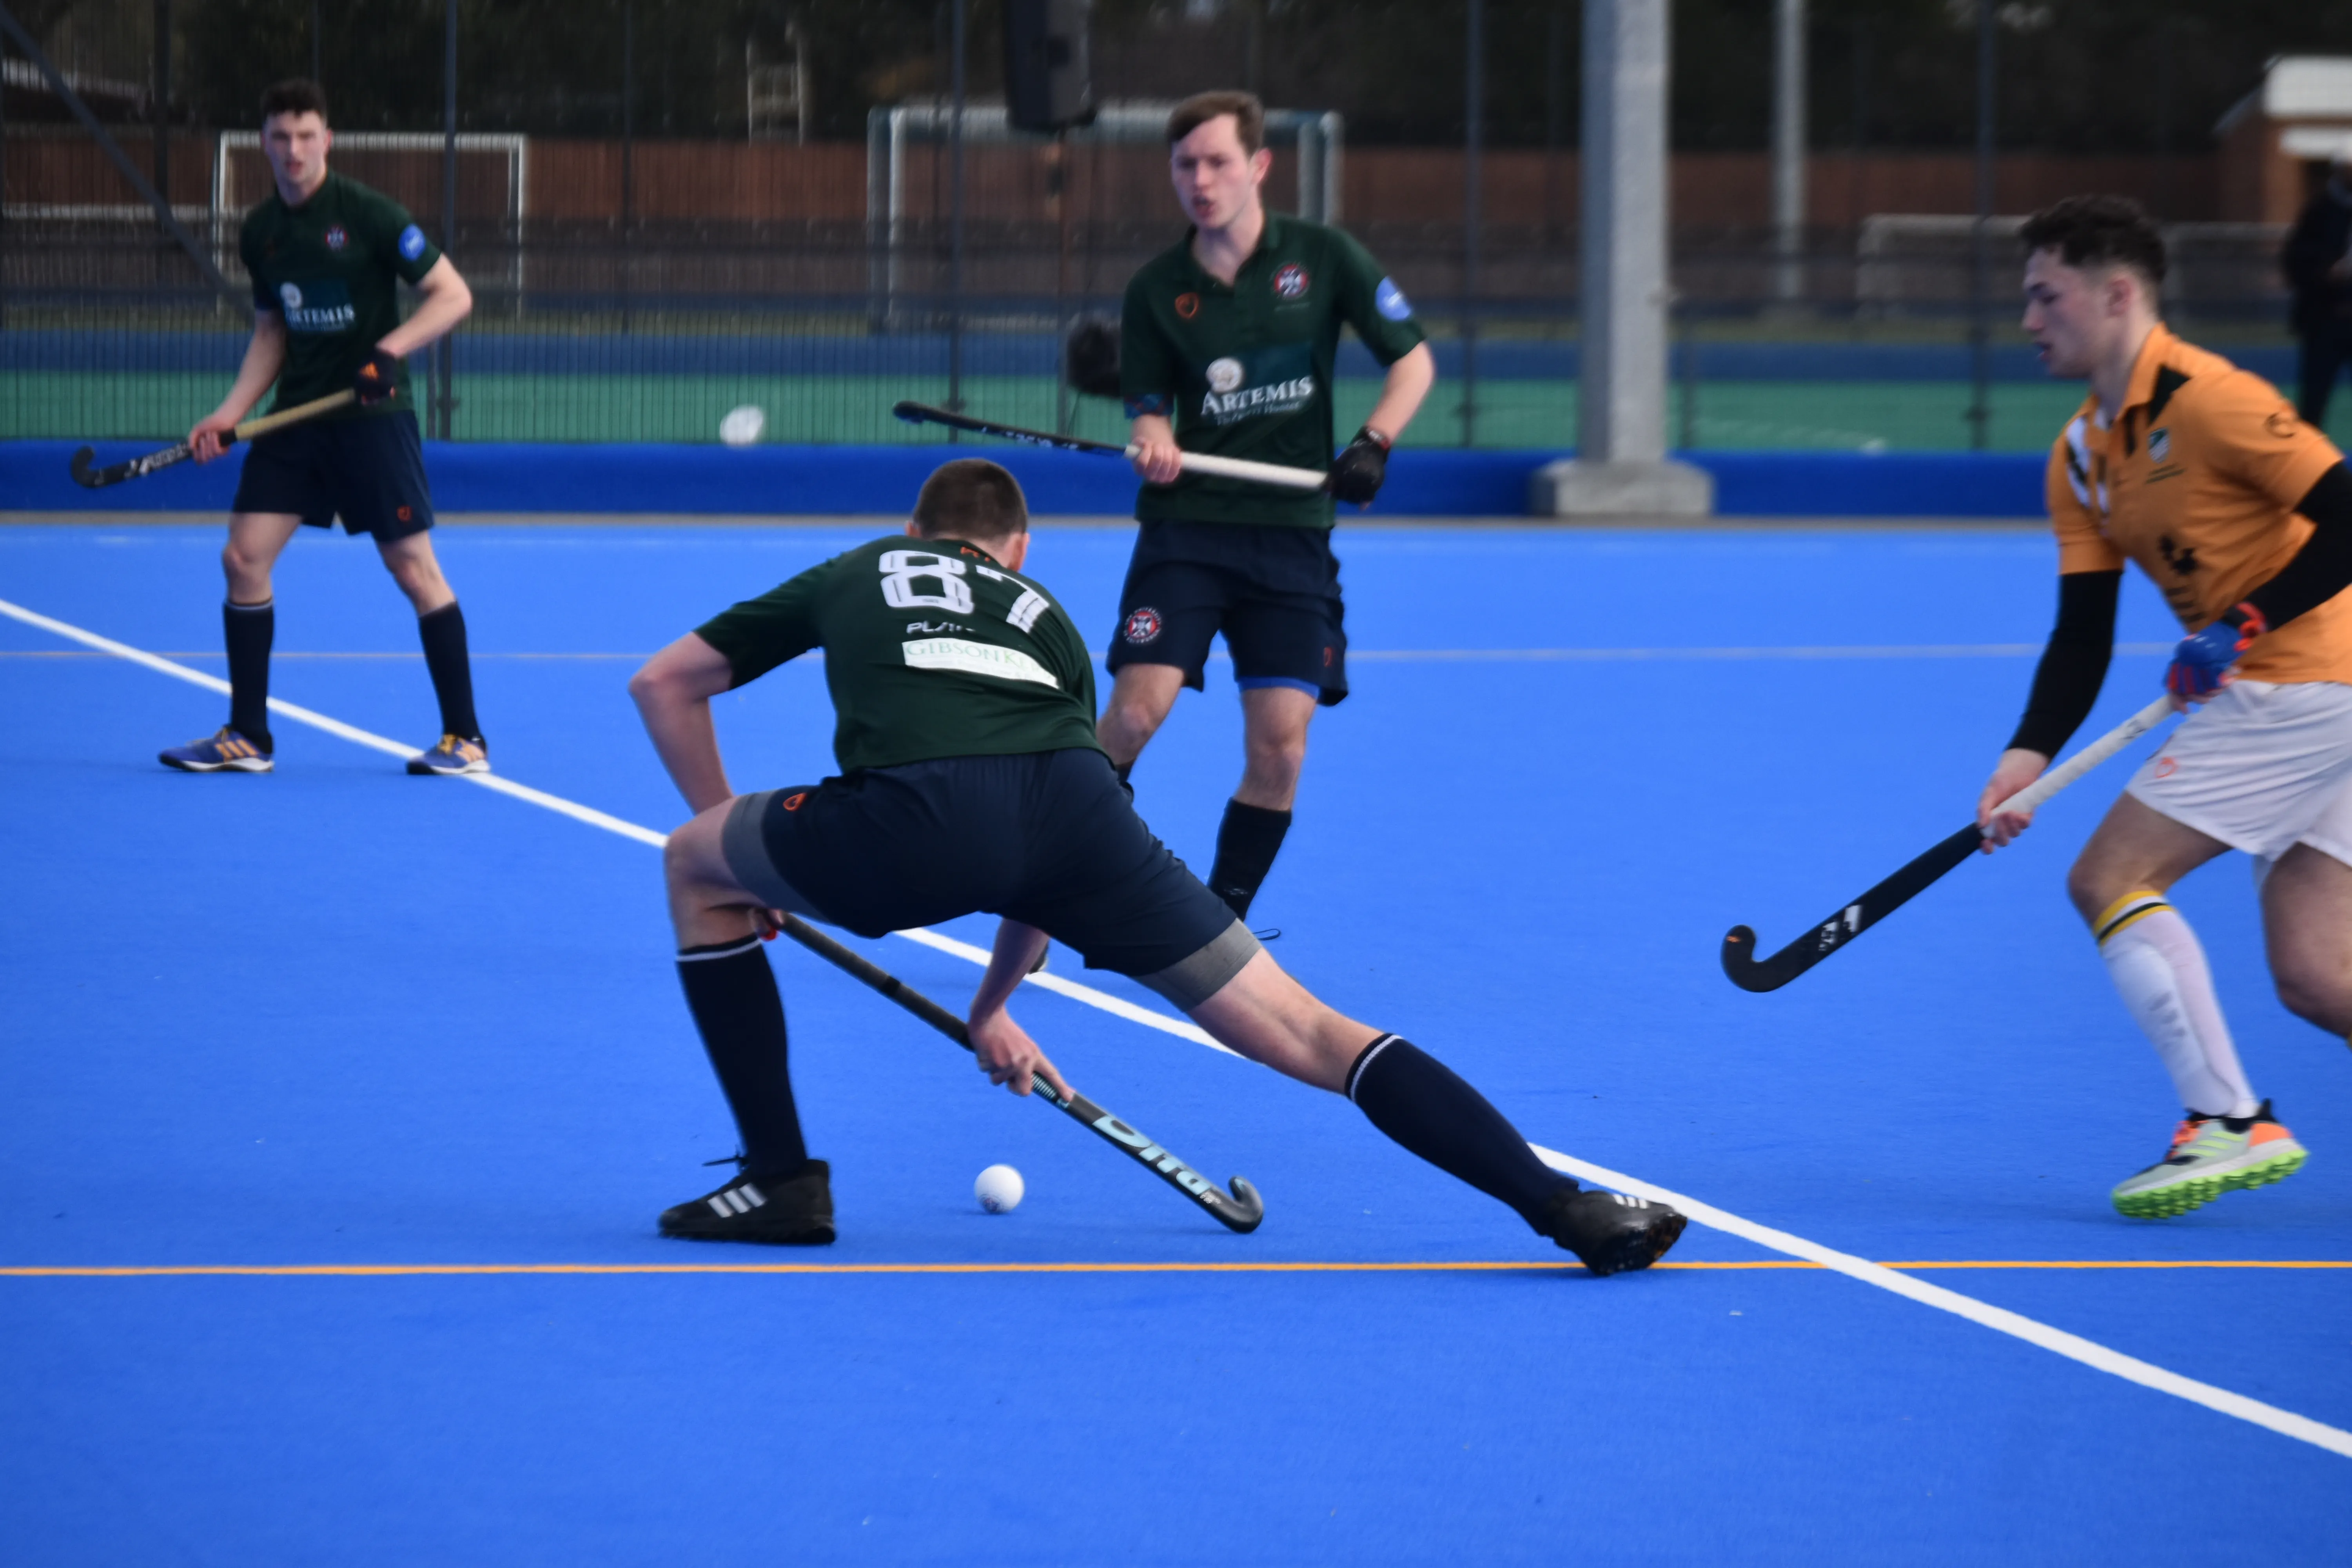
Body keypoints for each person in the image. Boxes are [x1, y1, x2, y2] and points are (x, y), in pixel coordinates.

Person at [627, 457, 1684, 1276]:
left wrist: (742, 858)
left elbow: (664, 684)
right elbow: (1026, 832)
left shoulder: (863, 565)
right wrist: (995, 1000)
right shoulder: (1045, 622)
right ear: (1018, 551)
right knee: (1311, 1029)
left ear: (917, 534)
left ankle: (781, 1182)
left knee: (691, 864)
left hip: (912, 817)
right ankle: (1558, 1202)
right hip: (1082, 819)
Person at [1979, 196, 2352, 1218]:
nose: (2029, 321)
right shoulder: (2083, 455)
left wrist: (2245, 619)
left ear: (2118, 293)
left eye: (2045, 297)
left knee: (2111, 877)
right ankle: (2230, 1119)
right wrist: (2028, 757)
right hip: (2305, 690)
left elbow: (2349, 514)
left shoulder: (2213, 400)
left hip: (2309, 680)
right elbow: (2083, 630)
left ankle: (2227, 1123)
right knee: (2320, 977)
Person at [1105, 90, 1437, 924]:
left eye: (1218, 161)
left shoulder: (1324, 259)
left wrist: (1373, 442)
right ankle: (1049, 891)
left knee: (1281, 747)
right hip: (1187, 534)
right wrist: (1154, 436)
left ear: (1258, 166)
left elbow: (1414, 362)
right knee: (1133, 716)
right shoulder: (1156, 289)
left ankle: (1218, 925)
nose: (1201, 179)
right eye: (1186, 165)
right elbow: (1147, 405)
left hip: (1291, 542)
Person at [160, 78, 486, 776]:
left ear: (327, 141)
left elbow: (452, 294)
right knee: (242, 558)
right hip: (297, 417)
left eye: (307, 136)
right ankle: (248, 736)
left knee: (413, 568)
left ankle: (466, 739)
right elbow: (272, 333)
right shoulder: (261, 233)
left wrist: (389, 351)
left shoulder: (368, 214)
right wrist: (232, 413)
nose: (294, 151)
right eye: (281, 137)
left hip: (372, 418)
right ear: (264, 145)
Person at [2281, 152, 2352, 431]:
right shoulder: (2319, 211)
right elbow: (2296, 260)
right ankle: (2307, 465)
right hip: (2325, 321)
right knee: (2314, 400)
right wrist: (2325, 272)